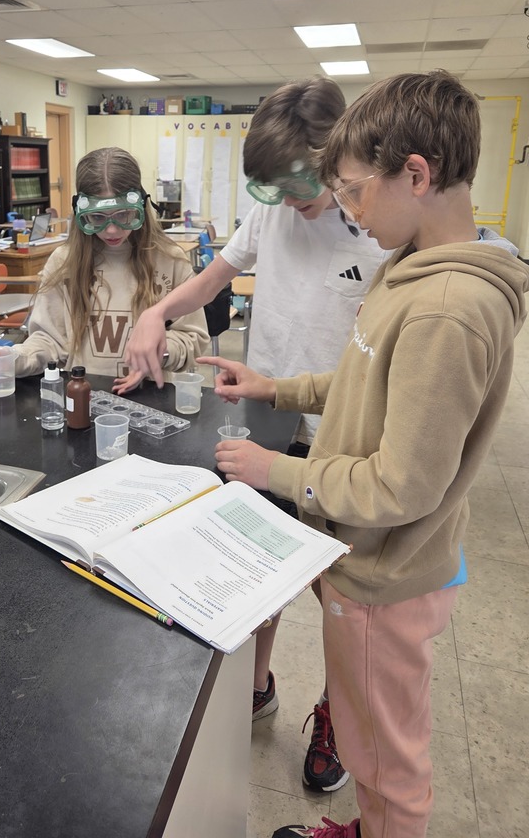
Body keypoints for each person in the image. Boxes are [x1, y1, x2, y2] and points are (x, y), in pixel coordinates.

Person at [202, 70, 529, 838]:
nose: (347, 209)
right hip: (364, 555)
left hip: (387, 570)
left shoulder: (446, 310)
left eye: (353, 190)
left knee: (387, 754)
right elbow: (360, 379)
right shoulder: (407, 270)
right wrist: (276, 390)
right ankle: (370, 826)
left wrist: (275, 471)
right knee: (364, 727)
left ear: (414, 175)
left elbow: (400, 485)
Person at [125, 77, 387, 793]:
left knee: (342, 594)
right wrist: (156, 312)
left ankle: (337, 710)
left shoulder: (378, 221)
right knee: (260, 564)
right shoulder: (272, 214)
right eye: (277, 190)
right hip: (266, 415)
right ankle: (257, 680)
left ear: (340, 159)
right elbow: (213, 279)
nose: (295, 204)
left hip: (346, 432)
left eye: (305, 185)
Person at [0, 147, 208, 391]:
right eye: (98, 218)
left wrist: (158, 353)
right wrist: (12, 359)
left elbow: (192, 336)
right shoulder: (64, 262)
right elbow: (48, 340)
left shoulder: (170, 260)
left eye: (124, 215)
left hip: (151, 400)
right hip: (82, 397)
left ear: (141, 208)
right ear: (81, 215)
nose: (111, 230)